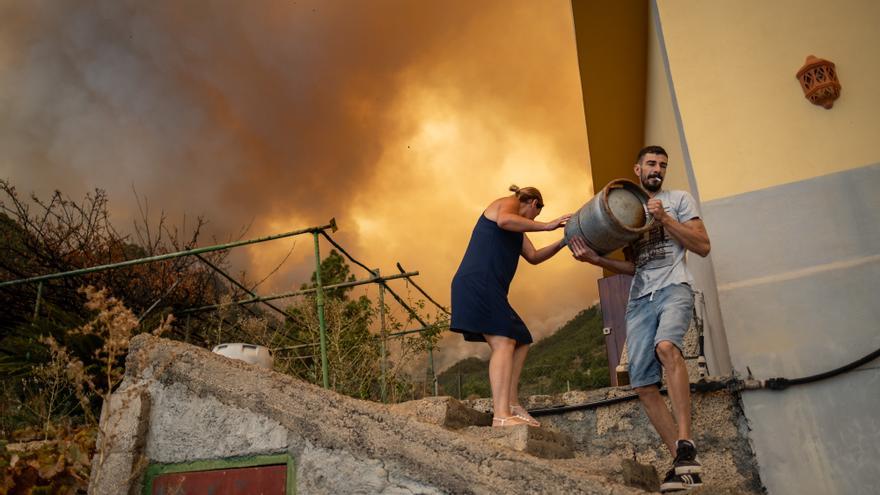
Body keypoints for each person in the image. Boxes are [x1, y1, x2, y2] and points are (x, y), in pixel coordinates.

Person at [569, 146, 711, 492]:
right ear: (637, 169)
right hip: (639, 300)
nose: (657, 169)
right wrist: (593, 261)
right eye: (651, 163)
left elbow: (703, 246)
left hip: (673, 288)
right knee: (643, 384)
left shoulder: (678, 200)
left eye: (662, 164)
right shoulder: (630, 212)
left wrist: (664, 218)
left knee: (666, 347)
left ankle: (686, 441)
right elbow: (635, 266)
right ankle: (681, 462)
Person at [450, 185, 571, 427]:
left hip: (489, 288)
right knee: (504, 341)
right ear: (534, 203)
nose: (533, 220)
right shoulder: (508, 203)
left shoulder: (518, 231)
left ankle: (512, 404)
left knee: (521, 338)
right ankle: (501, 415)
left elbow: (534, 257)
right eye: (536, 214)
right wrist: (548, 225)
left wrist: (564, 241)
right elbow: (506, 220)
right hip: (477, 283)